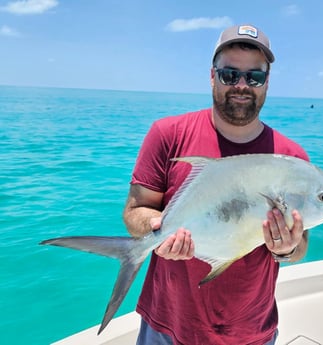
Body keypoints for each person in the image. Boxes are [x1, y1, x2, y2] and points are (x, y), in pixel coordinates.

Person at [123, 24, 310, 345]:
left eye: (254, 77)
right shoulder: (168, 134)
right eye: (229, 75)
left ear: (267, 83)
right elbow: (136, 211)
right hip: (166, 324)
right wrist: (158, 229)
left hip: (250, 331)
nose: (241, 85)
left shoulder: (291, 158)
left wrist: (287, 248)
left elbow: (300, 246)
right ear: (212, 76)